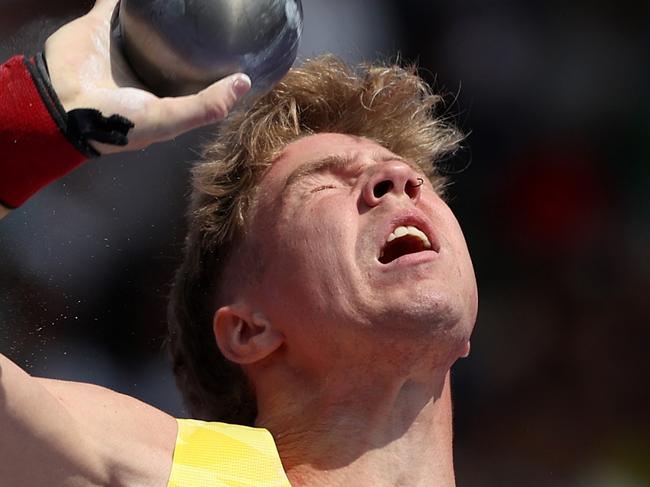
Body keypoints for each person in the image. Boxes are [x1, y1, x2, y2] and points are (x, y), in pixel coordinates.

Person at [0, 0, 478, 486]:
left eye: (417, 178)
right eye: (322, 183)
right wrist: (32, 109)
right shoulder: (171, 471)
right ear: (249, 330)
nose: (399, 179)